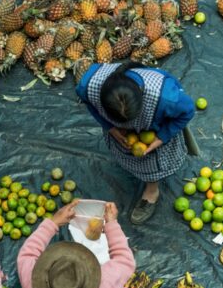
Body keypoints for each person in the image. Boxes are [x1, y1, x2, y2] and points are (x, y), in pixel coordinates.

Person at [76, 62, 195, 225]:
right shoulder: (89, 87)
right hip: (122, 134)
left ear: (141, 96)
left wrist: (160, 138)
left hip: (153, 131)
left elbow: (188, 111)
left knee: (152, 161)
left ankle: (152, 190)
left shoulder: (165, 98)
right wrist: (110, 127)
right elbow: (88, 102)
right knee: (125, 150)